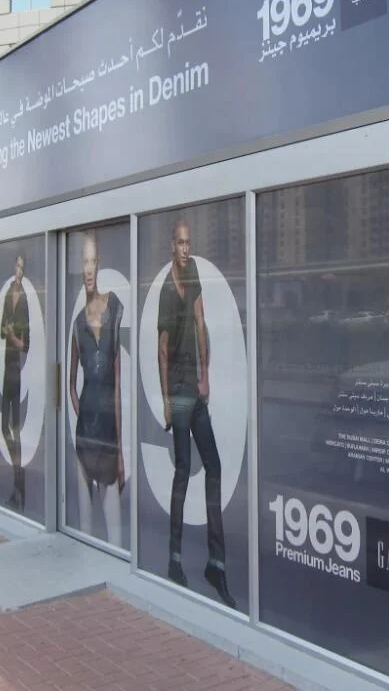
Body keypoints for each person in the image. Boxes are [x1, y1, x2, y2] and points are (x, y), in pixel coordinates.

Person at [158, 218, 234, 608]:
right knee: (184, 469)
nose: (186, 248)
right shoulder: (166, 291)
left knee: (213, 467)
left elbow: (202, 323)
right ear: (172, 244)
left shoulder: (195, 275)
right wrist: (167, 400)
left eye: (190, 242)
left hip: (196, 390)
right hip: (179, 391)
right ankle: (173, 558)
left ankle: (215, 562)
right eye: (181, 242)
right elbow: (161, 347)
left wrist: (207, 376)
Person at [69, 231, 125, 546]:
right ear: (80, 267)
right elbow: (69, 386)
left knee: (114, 534)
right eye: (84, 262)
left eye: (92, 261)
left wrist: (121, 451)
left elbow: (118, 384)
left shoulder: (114, 306)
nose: (88, 269)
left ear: (98, 264)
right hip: (84, 433)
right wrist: (83, 409)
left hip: (107, 433)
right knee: (85, 529)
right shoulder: (77, 322)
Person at [0, 252, 30, 510]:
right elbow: (2, 329)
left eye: (23, 267)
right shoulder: (9, 293)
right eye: (17, 265)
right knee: (4, 427)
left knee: (15, 427)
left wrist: (12, 336)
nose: (19, 271)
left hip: (16, 369)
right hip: (6, 367)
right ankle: (18, 476)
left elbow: (25, 345)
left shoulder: (26, 301)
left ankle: (19, 484)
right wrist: (7, 333)